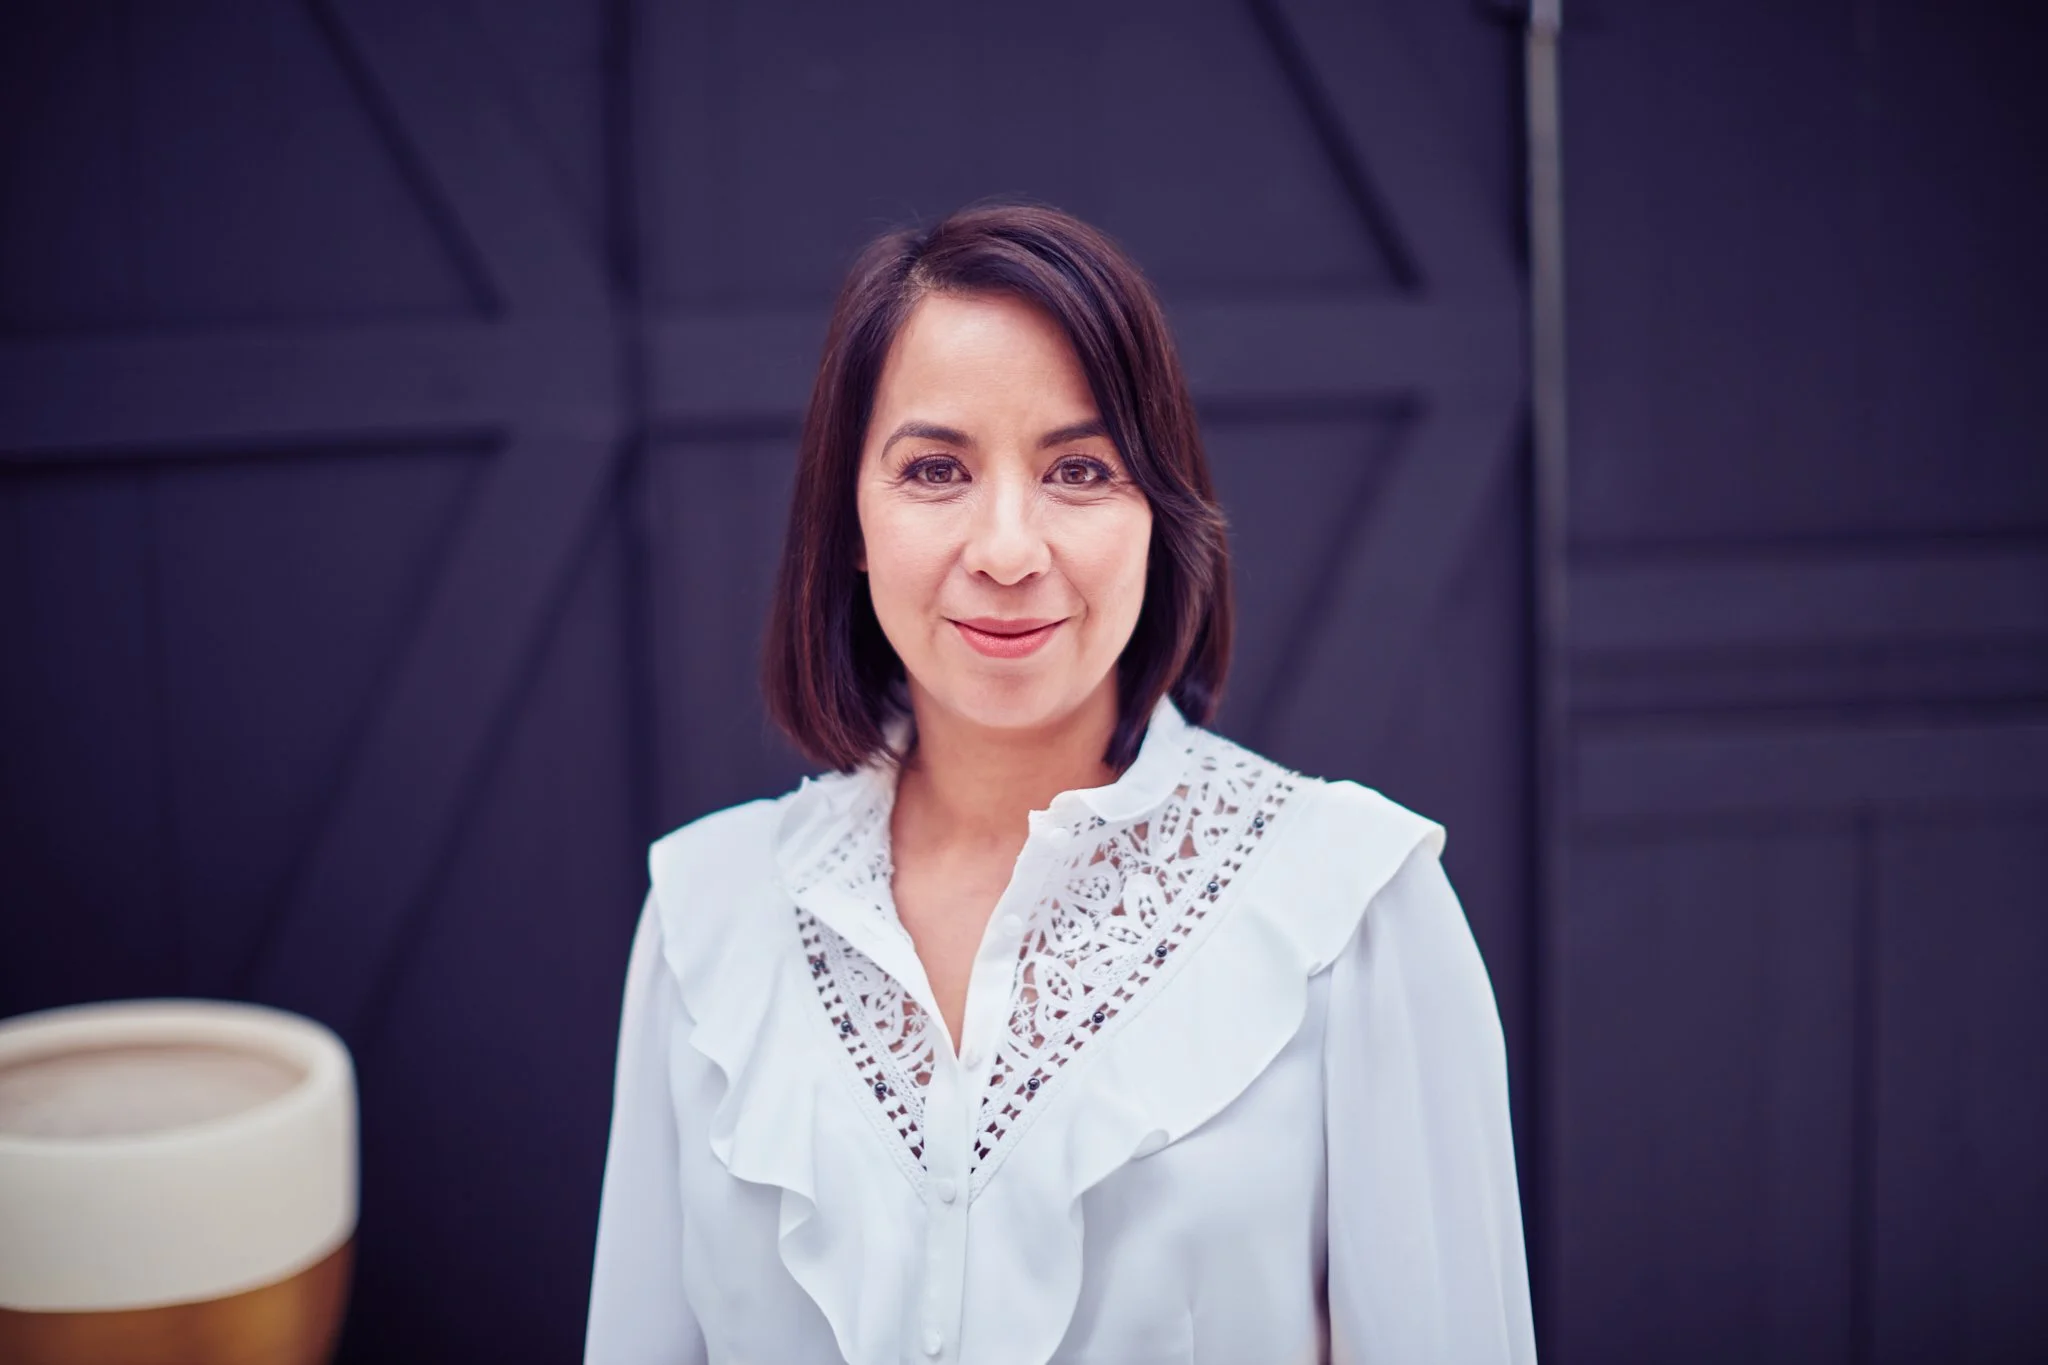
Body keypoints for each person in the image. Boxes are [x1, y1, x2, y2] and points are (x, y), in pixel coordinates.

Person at [584, 203, 1535, 1365]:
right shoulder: (703, 920)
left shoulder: (1349, 914)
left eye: (1077, 470)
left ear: (1158, 514)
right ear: (851, 522)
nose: (1006, 550)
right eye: (935, 469)